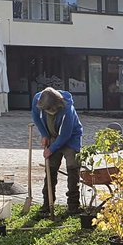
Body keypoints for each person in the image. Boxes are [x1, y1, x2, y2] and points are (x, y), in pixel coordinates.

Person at [31, 87, 84, 215]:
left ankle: (73, 205)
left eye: (51, 109)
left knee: (72, 167)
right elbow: (36, 116)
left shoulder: (67, 107)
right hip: (53, 136)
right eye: (47, 110)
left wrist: (51, 149)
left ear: (57, 104)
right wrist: (44, 134)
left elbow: (65, 134)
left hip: (71, 137)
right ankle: (47, 203)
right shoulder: (38, 99)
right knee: (51, 168)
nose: (50, 112)